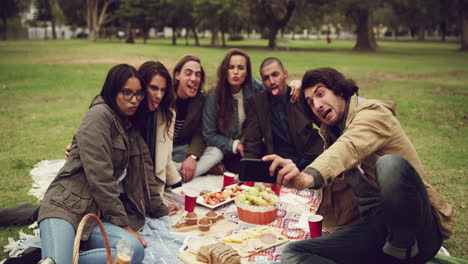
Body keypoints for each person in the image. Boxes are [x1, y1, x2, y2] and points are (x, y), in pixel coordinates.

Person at [264, 67, 455, 264]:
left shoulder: (373, 113)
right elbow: (320, 116)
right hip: (375, 231)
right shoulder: (334, 128)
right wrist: (296, 85)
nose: (317, 105)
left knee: (390, 166)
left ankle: (401, 248)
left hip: (418, 233)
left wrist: (306, 178)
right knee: (292, 252)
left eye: (321, 94)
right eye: (311, 102)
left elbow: (349, 147)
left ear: (339, 90)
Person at [37, 64, 172, 264]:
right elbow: (101, 179)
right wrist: (124, 226)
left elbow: (146, 172)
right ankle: (59, 257)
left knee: (132, 252)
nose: (134, 100)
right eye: (127, 93)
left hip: (95, 217)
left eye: (138, 94)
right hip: (65, 207)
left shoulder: (130, 125)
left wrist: (161, 209)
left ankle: (57, 257)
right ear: (112, 90)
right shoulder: (98, 116)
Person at [244, 58, 360, 232]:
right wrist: (250, 174)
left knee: (320, 206)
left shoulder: (301, 96)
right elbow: (252, 140)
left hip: (311, 160)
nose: (271, 81)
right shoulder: (257, 103)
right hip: (282, 165)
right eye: (266, 78)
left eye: (275, 74)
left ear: (285, 74)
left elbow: (328, 122)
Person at [203, 49, 302, 173]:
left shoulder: (254, 88)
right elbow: (209, 134)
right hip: (226, 149)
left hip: (250, 146)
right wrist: (235, 145)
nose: (235, 72)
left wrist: (296, 84)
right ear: (225, 70)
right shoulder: (214, 96)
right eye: (231, 67)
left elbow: (273, 88)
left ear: (247, 72)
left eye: (241, 68)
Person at [171, 55, 224, 182]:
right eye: (188, 73)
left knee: (216, 152)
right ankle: (178, 173)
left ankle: (179, 175)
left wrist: (192, 156)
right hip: (163, 152)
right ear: (177, 75)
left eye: (198, 74)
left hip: (182, 149)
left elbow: (200, 132)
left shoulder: (201, 100)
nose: (194, 79)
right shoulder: (165, 95)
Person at [135, 60, 182, 197]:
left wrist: (178, 186)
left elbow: (165, 158)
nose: (159, 95)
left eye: (163, 90)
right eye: (153, 88)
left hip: (155, 189)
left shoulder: (168, 114)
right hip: (132, 191)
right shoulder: (129, 112)